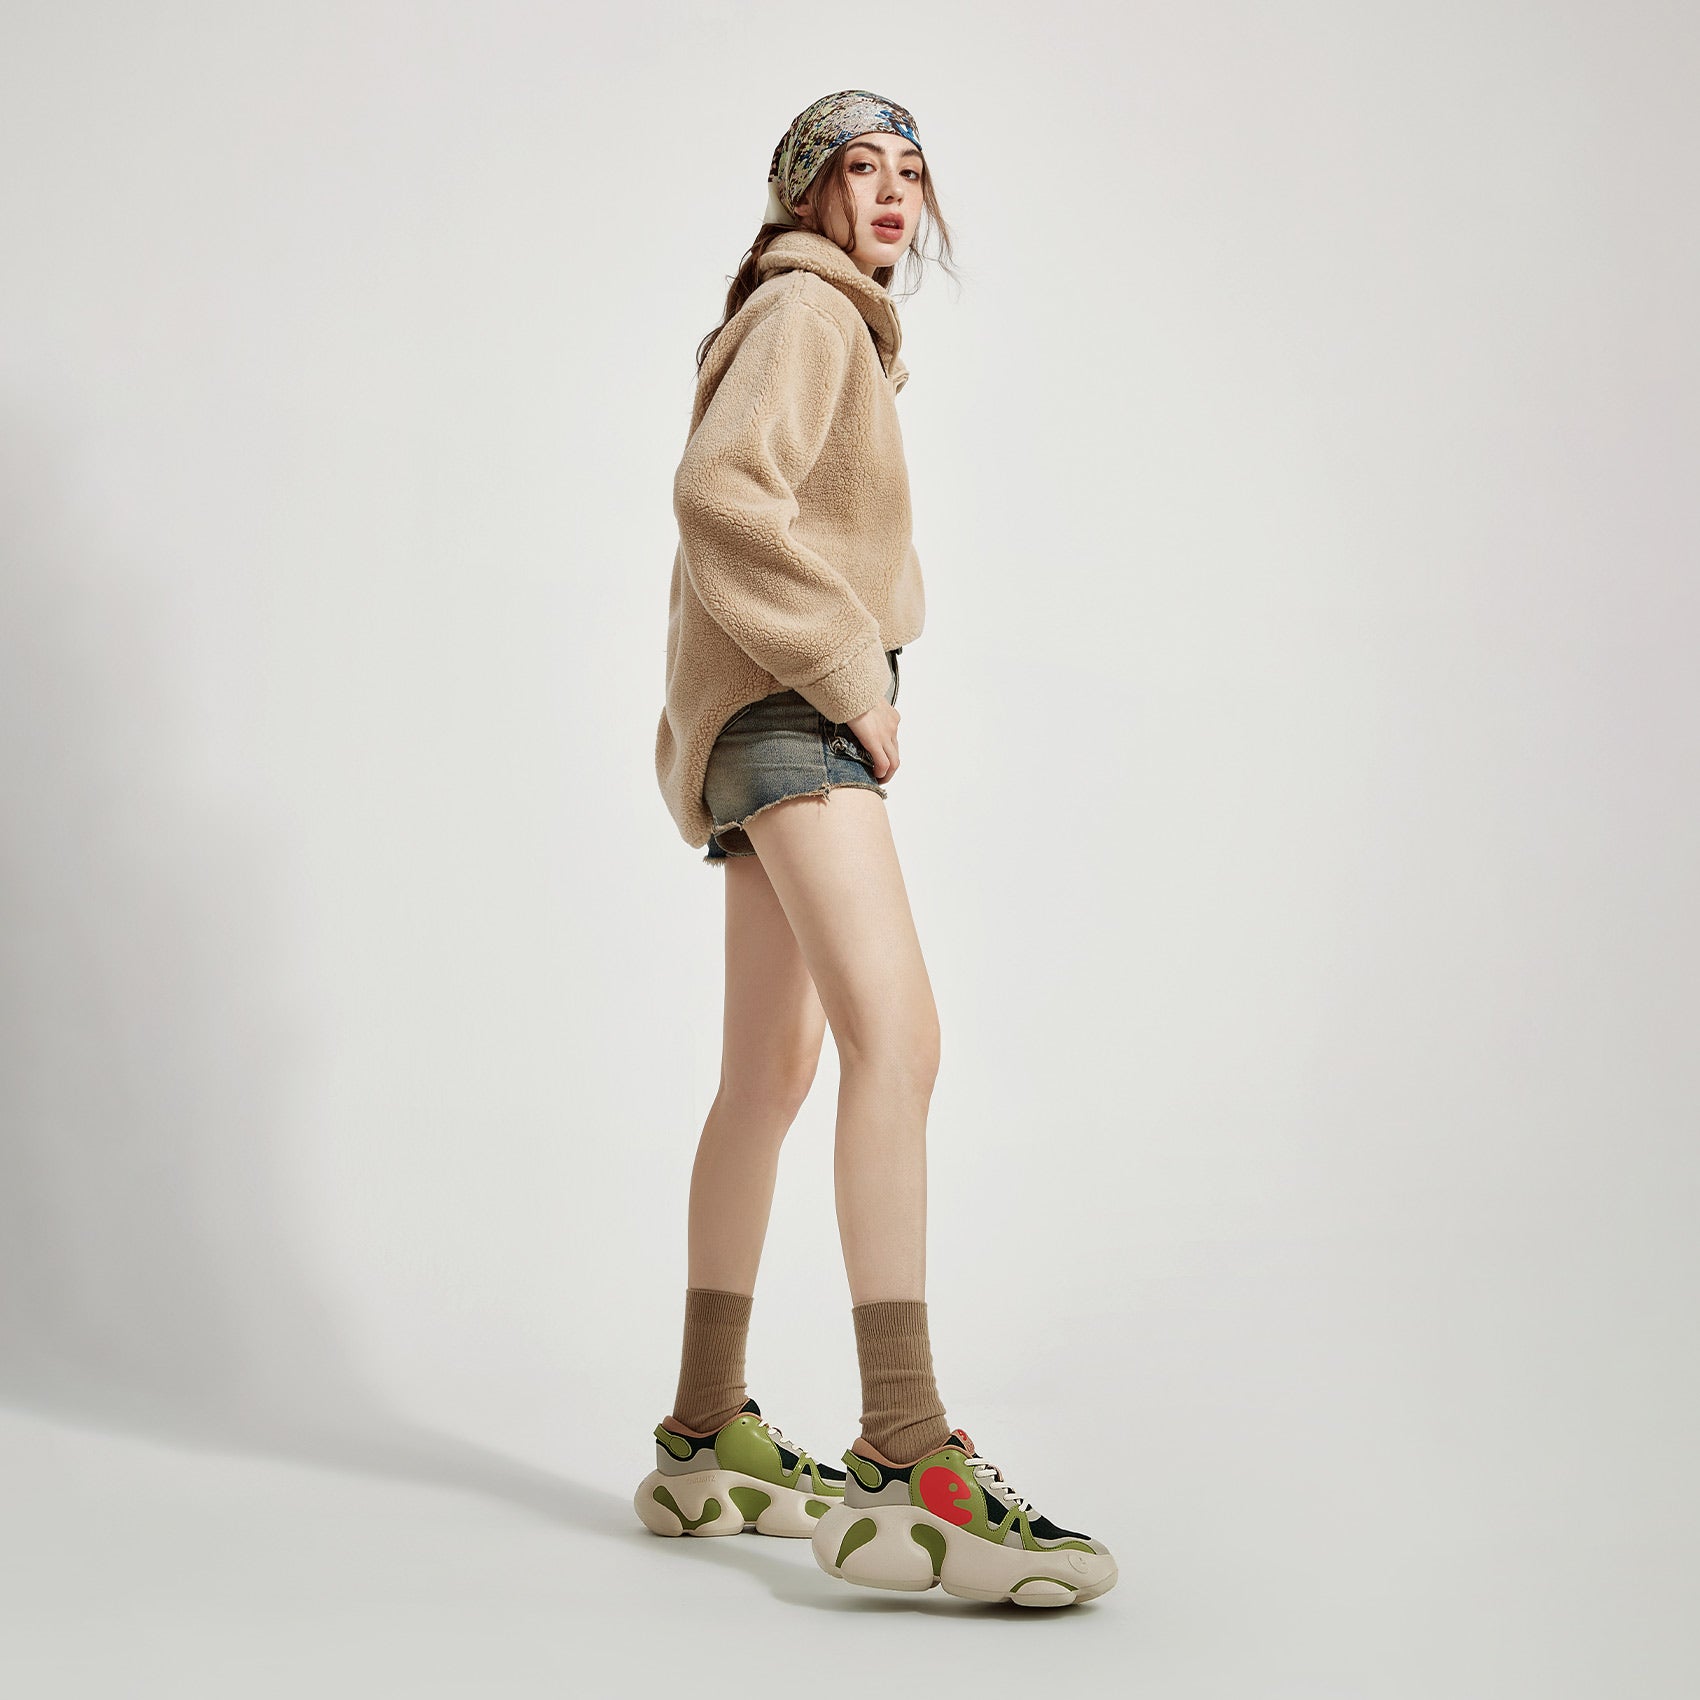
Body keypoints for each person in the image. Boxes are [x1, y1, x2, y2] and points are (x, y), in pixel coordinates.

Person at [636, 90, 1118, 1608]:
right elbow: (720, 497)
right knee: (896, 1043)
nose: (895, 192)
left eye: (912, 170)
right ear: (807, 192)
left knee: (768, 1076)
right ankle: (904, 1452)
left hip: (759, 715)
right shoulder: (806, 310)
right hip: (794, 713)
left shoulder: (820, 316)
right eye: (862, 168)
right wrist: (850, 674)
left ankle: (703, 1433)